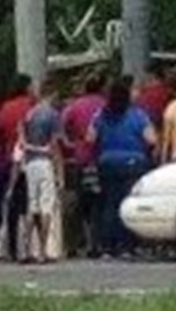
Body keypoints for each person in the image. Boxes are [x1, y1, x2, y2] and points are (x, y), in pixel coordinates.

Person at [90, 78, 159, 259]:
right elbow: (152, 139)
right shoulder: (138, 115)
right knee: (128, 204)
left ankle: (107, 246)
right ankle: (127, 246)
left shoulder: (101, 115)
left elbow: (90, 137)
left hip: (107, 162)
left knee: (110, 204)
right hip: (133, 163)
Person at [60, 73, 108, 258]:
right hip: (100, 158)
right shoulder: (104, 105)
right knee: (99, 203)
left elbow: (61, 127)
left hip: (80, 158)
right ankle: (96, 244)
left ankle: (72, 244)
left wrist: (69, 143)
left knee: (78, 203)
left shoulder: (74, 106)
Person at [18, 82, 64, 264]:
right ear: (51, 94)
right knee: (46, 206)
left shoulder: (29, 114)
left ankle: (26, 248)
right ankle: (42, 251)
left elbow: (21, 136)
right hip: (45, 161)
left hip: (30, 162)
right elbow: (55, 145)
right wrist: (60, 171)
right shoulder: (52, 115)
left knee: (32, 205)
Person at [0, 75, 35, 261]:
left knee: (12, 204)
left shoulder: (6, 107)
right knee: (29, 204)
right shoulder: (32, 105)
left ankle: (11, 246)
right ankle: (29, 247)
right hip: (31, 157)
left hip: (10, 156)